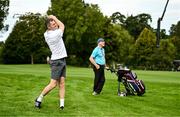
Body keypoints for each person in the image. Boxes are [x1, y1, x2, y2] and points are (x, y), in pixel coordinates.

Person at [35, 15, 67, 110]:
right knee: (53, 84)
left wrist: (52, 20)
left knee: (62, 83)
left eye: (55, 23)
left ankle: (62, 105)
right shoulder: (54, 34)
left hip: (62, 60)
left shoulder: (47, 33)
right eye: (53, 24)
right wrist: (54, 17)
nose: (56, 24)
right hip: (57, 62)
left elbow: (58, 26)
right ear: (49, 27)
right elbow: (62, 26)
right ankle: (39, 99)